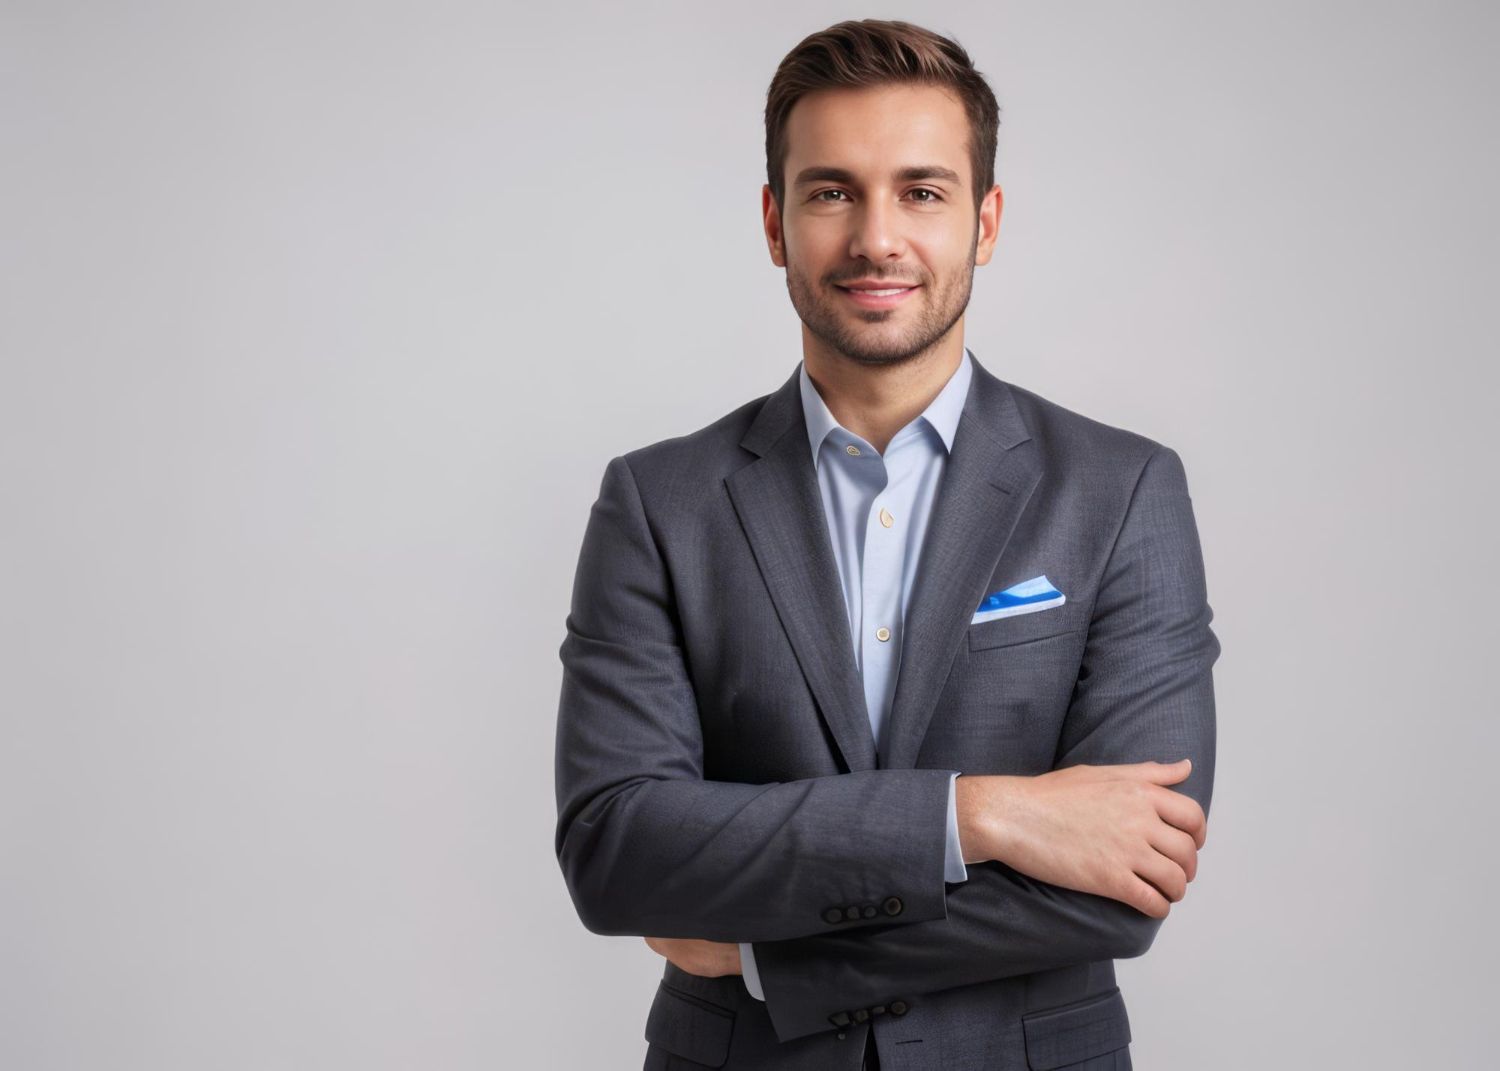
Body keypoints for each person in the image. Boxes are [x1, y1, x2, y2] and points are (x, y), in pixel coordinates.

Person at [554, 18, 1219, 1070]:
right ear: (775, 223)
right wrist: (978, 815)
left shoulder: (1121, 491)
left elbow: (1125, 884)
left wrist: (775, 959)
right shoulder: (657, 503)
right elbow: (619, 852)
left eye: (922, 191)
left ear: (985, 220)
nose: (876, 238)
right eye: (831, 193)